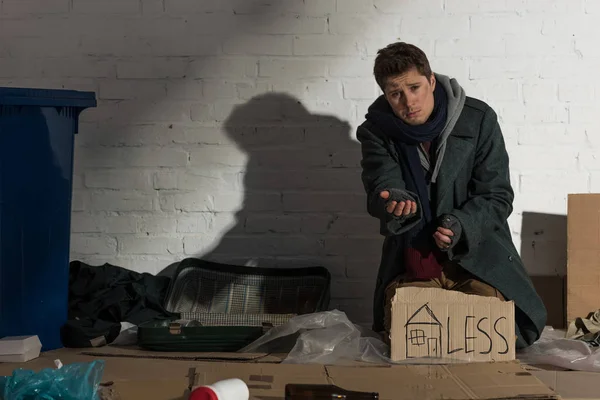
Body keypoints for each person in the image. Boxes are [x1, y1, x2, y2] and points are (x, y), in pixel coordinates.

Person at [356, 42, 546, 349]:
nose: (408, 102)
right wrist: (395, 204)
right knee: (413, 342)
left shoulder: (478, 119)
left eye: (415, 87)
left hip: (477, 258)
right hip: (413, 263)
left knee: (494, 336)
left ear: (431, 81)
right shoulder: (376, 132)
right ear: (385, 95)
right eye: (395, 94)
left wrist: (460, 225)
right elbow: (381, 184)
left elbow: (497, 195)